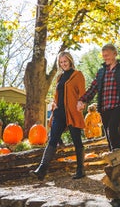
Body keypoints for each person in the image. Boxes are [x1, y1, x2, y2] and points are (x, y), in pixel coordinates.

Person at [30, 51, 86, 181]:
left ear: (70, 61)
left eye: (65, 61)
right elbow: (56, 97)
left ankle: (80, 170)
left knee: (77, 140)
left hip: (72, 113)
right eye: (61, 62)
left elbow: (82, 94)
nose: (63, 64)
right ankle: (41, 170)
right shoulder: (59, 77)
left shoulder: (78, 75)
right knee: (53, 139)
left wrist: (81, 103)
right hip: (60, 113)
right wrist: (54, 106)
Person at [77, 43, 120, 152]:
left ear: (115, 54)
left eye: (108, 55)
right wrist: (82, 99)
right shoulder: (101, 72)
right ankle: (113, 156)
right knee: (108, 133)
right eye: (104, 55)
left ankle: (118, 156)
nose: (105, 57)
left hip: (118, 105)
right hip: (104, 107)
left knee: (112, 129)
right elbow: (93, 88)